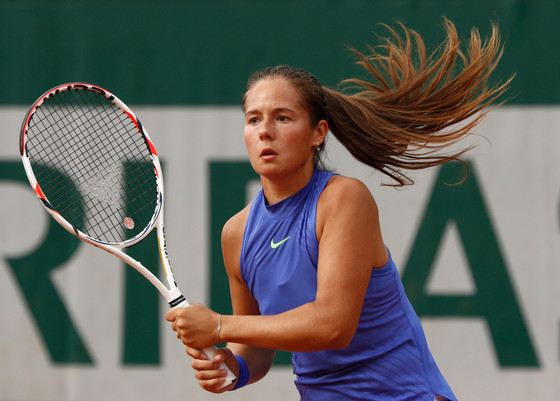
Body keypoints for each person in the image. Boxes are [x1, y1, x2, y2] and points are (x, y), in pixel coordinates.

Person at [165, 18, 511, 401]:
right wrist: (233, 369)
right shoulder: (237, 233)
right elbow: (257, 349)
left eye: (283, 117)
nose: (265, 131)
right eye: (253, 119)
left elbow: (333, 326)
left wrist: (218, 326)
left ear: (318, 133)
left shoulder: (344, 199)